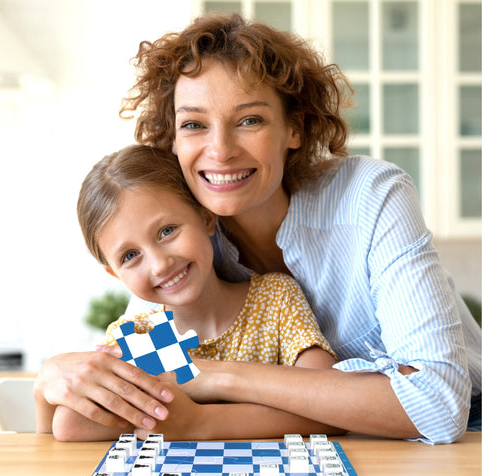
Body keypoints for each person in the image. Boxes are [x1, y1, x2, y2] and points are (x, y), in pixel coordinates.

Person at [35, 14, 481, 444]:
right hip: (328, 445)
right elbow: (120, 392)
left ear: (295, 128)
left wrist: (209, 378)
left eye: (249, 120)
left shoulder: (371, 196)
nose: (221, 150)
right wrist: (51, 379)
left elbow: (437, 406)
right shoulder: (178, 242)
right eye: (193, 124)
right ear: (173, 140)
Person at [42, 143, 342, 441]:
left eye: (167, 231)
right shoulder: (136, 336)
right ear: (115, 274)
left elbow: (331, 399)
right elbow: (71, 425)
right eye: (130, 256)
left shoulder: (275, 300)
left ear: (206, 219)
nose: (160, 265)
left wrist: (199, 417)